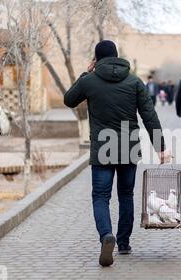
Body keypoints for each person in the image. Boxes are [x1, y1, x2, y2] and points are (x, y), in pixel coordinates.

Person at [64, 40, 168, 267]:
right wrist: (160, 147)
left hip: (102, 148)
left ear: (97, 59)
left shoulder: (89, 81)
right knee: (126, 195)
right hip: (128, 147)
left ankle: (105, 236)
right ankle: (123, 243)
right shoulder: (134, 81)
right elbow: (149, 115)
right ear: (117, 56)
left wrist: (85, 73)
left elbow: (69, 99)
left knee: (101, 196)